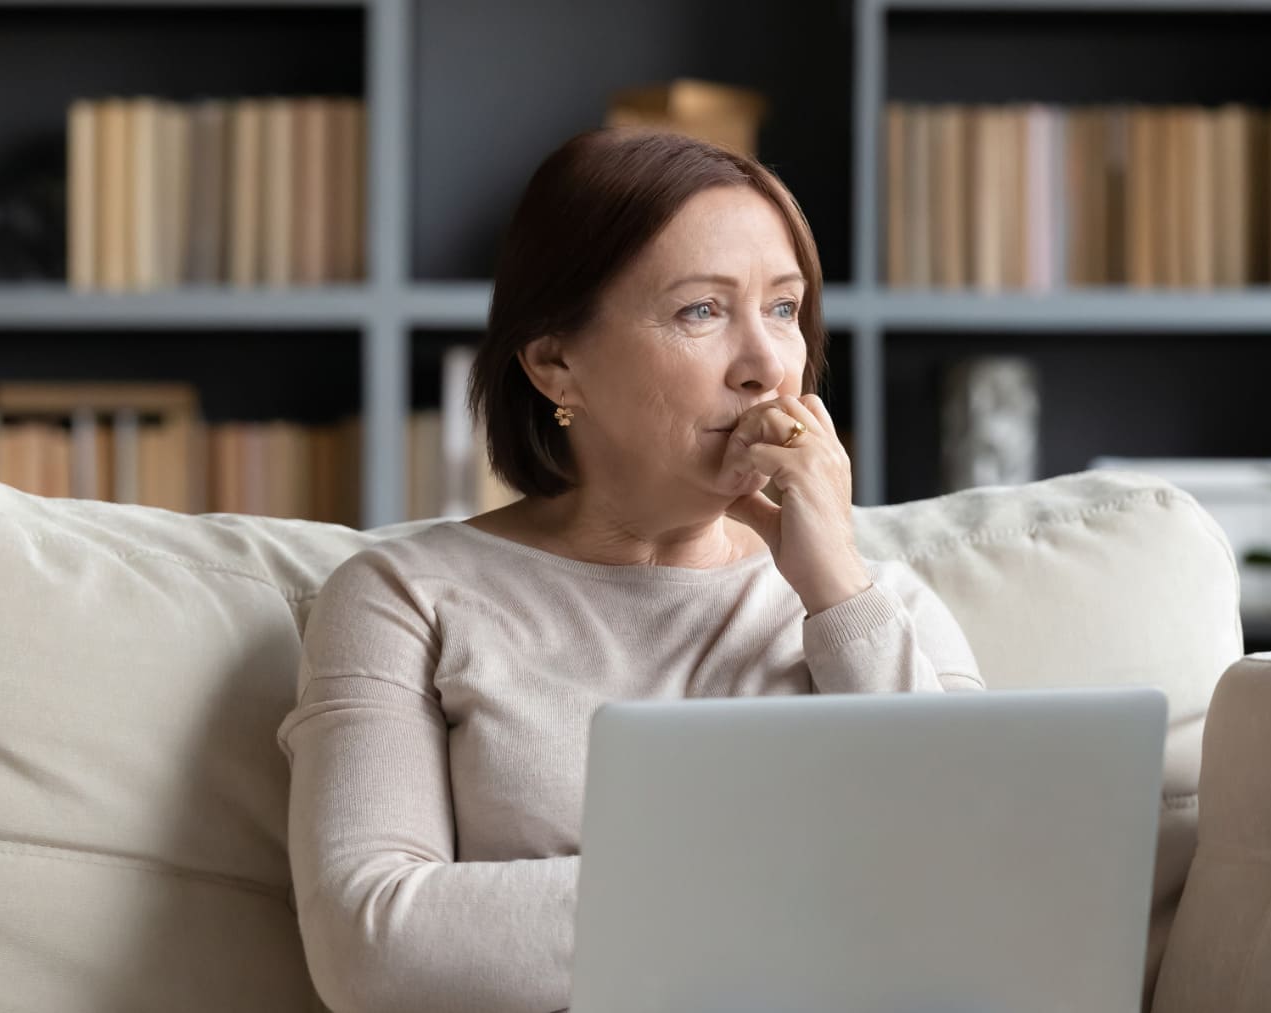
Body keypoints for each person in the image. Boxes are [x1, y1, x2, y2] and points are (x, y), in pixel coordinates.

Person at [275, 127, 985, 1012]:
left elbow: (976, 912)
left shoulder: (881, 604)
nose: (768, 366)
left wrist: (835, 588)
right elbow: (373, 945)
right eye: (702, 311)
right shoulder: (403, 599)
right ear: (554, 362)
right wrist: (826, 894)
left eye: (783, 309)